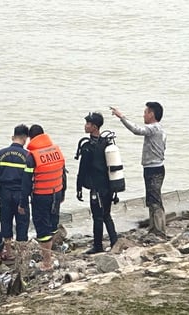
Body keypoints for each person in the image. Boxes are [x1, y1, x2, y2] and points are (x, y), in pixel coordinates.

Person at [111, 102, 167, 239]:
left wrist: (121, 117)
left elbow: (136, 130)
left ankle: (159, 231)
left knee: (155, 201)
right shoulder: (159, 129)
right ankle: (154, 229)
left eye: (145, 112)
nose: (144, 115)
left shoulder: (154, 128)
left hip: (154, 169)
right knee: (151, 200)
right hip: (152, 168)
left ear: (151, 114)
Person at [20, 124, 66, 271]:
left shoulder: (32, 156)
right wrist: (62, 193)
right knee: (52, 225)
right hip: (56, 193)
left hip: (41, 196)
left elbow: (26, 182)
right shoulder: (56, 151)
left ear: (31, 138)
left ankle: (47, 262)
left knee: (42, 229)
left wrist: (23, 203)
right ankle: (51, 256)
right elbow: (63, 173)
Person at [76, 112, 118, 254]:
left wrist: (78, 188)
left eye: (87, 124)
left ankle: (98, 246)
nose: (85, 126)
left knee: (97, 217)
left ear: (94, 127)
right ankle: (114, 242)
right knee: (106, 215)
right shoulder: (106, 143)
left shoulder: (88, 147)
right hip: (108, 186)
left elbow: (82, 169)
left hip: (96, 187)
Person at [0, 124, 31, 260]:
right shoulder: (28, 156)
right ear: (25, 139)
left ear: (13, 137)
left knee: (5, 221)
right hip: (21, 194)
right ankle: (21, 253)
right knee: (22, 223)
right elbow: (30, 179)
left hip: (5, 193)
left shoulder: (0, 154)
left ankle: (8, 252)